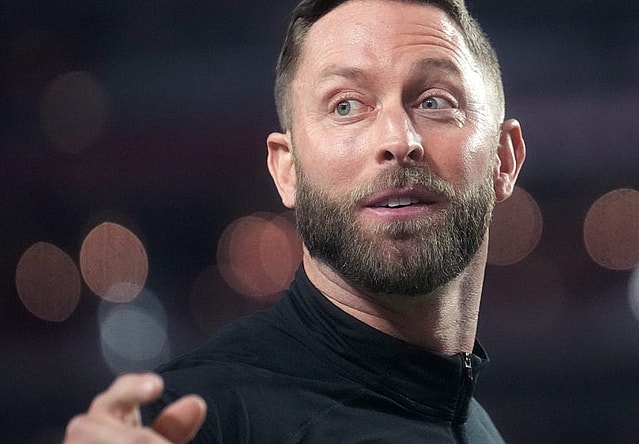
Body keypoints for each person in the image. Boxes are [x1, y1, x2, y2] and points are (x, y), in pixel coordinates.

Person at [64, 0, 525, 442]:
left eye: (434, 101)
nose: (398, 140)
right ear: (288, 170)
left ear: (504, 160)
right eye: (345, 105)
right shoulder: (197, 420)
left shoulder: (468, 420)